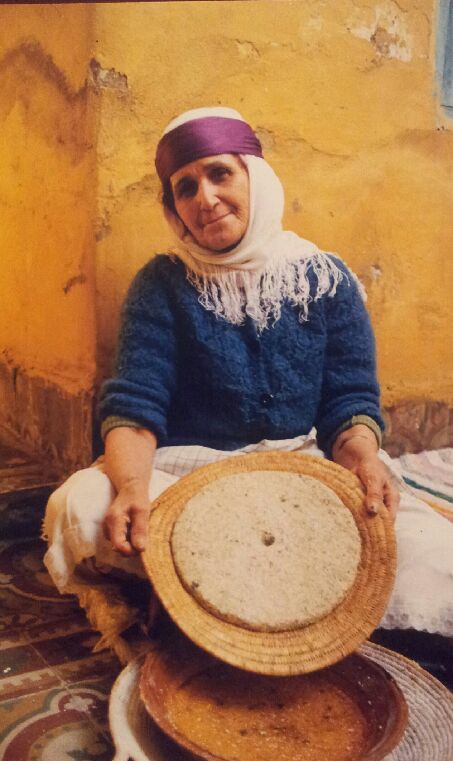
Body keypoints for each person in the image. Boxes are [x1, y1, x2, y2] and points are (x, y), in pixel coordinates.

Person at [43, 107, 453, 650]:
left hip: (300, 468)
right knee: (84, 505)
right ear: (175, 211)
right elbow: (135, 405)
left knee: (429, 551)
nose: (205, 199)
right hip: (186, 474)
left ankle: (229, 603)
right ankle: (260, 603)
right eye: (184, 188)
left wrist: (363, 457)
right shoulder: (162, 284)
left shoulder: (325, 279)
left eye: (220, 174)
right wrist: (135, 488)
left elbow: (349, 400)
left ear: (254, 176)